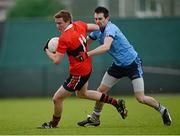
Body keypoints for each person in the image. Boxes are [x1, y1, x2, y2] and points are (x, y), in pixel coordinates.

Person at [77, 6, 172, 127]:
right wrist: (70, 46)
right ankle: (95, 118)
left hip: (132, 64)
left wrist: (87, 54)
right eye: (95, 19)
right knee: (101, 91)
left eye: (100, 18)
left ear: (107, 18)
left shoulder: (111, 29)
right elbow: (84, 43)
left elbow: (106, 47)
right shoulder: (97, 30)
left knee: (140, 98)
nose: (97, 21)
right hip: (118, 65)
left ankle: (162, 110)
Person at [38, 10, 128, 129]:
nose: (57, 26)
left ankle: (53, 124)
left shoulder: (65, 38)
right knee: (82, 93)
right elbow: (96, 27)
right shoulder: (79, 24)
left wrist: (46, 50)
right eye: (56, 23)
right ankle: (116, 103)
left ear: (68, 21)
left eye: (60, 23)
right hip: (87, 66)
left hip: (78, 72)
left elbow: (56, 60)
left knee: (57, 98)